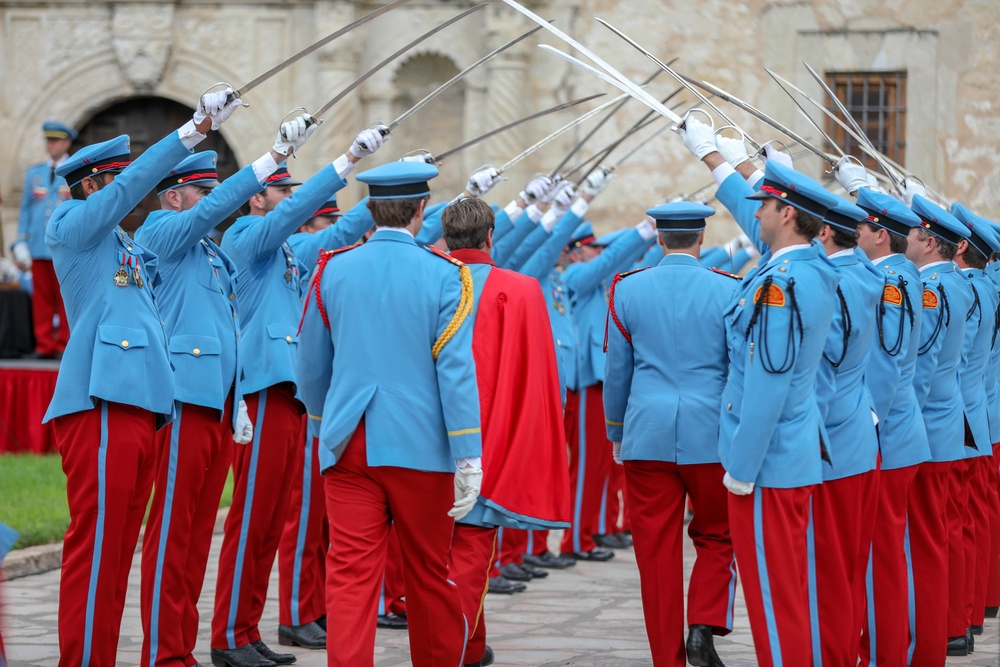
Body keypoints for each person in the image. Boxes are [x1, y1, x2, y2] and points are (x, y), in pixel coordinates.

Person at [43, 88, 240, 667]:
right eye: (118, 183)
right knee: (99, 548)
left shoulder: (124, 244)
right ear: (95, 186)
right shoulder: (71, 226)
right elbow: (143, 192)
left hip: (140, 404)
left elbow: (192, 234)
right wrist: (193, 130)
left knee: (119, 550)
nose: (128, 191)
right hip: (100, 401)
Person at [134, 112, 314, 667]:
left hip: (217, 400)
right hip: (184, 400)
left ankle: (193, 644)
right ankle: (166, 653)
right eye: (202, 191)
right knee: (172, 533)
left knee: (191, 537)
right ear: (173, 197)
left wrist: (235, 394)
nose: (213, 199)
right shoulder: (161, 232)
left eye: (216, 188)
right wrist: (272, 160)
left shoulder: (209, 254)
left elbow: (228, 329)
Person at [211, 120, 387, 667]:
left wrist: (385, 195)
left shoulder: (287, 251)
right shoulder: (246, 237)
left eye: (291, 190)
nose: (289, 199)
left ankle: (247, 627)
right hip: (263, 387)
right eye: (281, 190)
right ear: (258, 195)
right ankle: (228, 636)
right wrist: (344, 163)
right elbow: (294, 217)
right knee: (253, 518)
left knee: (270, 522)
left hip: (289, 392)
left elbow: (335, 235)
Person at [296, 160, 483, 667]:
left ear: (371, 210)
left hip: (348, 438)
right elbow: (455, 371)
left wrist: (323, 425)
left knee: (351, 575)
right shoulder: (447, 275)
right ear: (423, 210)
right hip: (419, 443)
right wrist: (468, 452)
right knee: (428, 571)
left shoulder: (331, 267)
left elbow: (311, 367)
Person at [681, 116, 840, 667]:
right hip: (788, 456)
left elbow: (768, 385)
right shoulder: (805, 269)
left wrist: (740, 469)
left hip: (767, 463)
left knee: (774, 600)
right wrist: (721, 162)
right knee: (787, 594)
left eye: (765, 204)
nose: (757, 213)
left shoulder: (783, 284)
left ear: (787, 213)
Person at [603, 201, 738, 667]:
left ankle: (667, 657)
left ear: (659, 238)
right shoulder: (728, 289)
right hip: (711, 432)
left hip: (647, 432)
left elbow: (617, 371)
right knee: (720, 534)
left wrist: (616, 431)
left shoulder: (627, 289)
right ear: (702, 238)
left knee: (656, 552)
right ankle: (702, 625)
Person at [439, 197, 570, 667]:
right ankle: (451, 650)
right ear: (491, 237)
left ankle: (471, 645)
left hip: (423, 439)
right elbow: (539, 376)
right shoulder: (522, 288)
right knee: (472, 556)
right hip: (487, 439)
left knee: (436, 555)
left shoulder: (426, 278)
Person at [276, 195, 377, 648]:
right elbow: (338, 237)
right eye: (325, 221)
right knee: (303, 514)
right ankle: (296, 612)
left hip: (331, 394)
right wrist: (379, 200)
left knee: (322, 518)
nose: (333, 229)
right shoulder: (299, 247)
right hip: (305, 396)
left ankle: (313, 607)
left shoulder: (327, 261)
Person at [905, 193, 974, 664]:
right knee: (939, 537)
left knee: (925, 543)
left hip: (927, 431)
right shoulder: (959, 284)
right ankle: (940, 633)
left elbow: (922, 371)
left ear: (929, 242)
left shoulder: (931, 291)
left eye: (911, 233)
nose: (904, 240)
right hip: (948, 426)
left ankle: (928, 643)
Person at [12, 121, 76, 358]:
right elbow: (26, 209)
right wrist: (20, 241)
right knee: (41, 299)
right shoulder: (35, 173)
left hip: (65, 246)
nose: (50, 145)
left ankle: (65, 345)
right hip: (38, 245)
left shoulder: (74, 170)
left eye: (56, 140)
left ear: (67, 142)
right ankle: (45, 344)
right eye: (48, 140)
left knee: (66, 297)